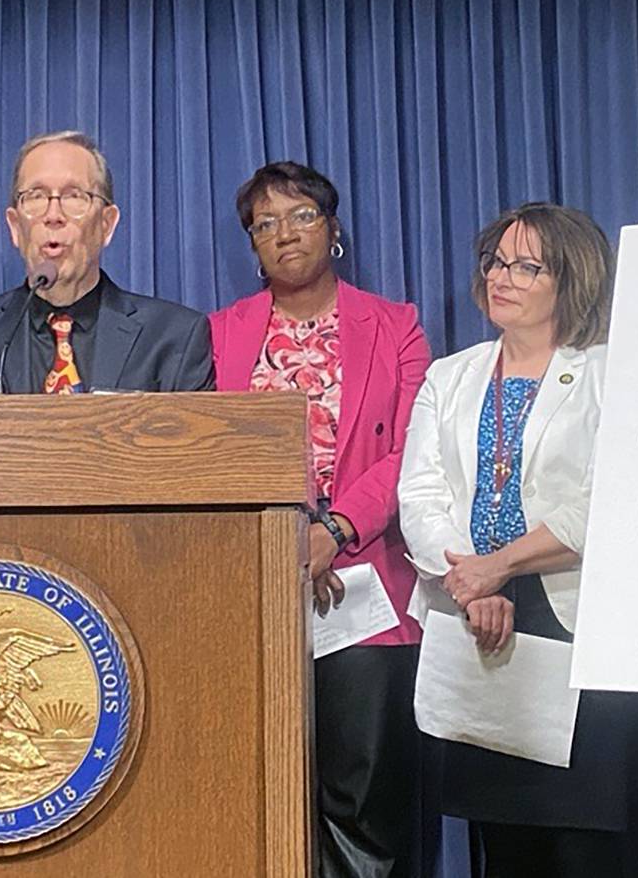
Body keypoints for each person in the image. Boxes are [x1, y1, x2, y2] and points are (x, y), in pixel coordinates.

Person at [210, 162, 431, 877]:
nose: (284, 234)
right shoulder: (218, 334)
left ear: (333, 230)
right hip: (255, 588)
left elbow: (412, 451)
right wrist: (279, 544)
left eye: (301, 215)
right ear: (252, 246)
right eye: (264, 224)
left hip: (368, 590)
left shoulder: (395, 326)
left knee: (364, 796)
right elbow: (204, 451)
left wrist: (332, 533)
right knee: (256, 790)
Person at [398, 202, 622, 876]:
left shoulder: (607, 373)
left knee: (582, 844)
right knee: (505, 847)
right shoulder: (451, 376)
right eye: (498, 261)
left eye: (528, 266)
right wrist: (469, 583)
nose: (504, 277)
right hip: (477, 624)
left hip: (573, 623)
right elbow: (420, 496)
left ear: (570, 280)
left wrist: (500, 567)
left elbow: (606, 498)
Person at [0, 131, 214, 394]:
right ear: (15, 227)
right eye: (36, 197)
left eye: (74, 196)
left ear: (107, 224)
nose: (53, 215)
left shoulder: (174, 337)